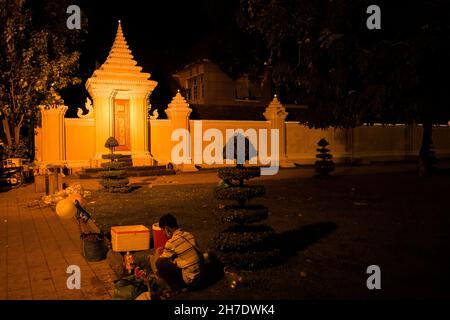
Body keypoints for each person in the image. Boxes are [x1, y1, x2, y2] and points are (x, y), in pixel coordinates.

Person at [149, 213, 204, 293]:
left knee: (160, 263)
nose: (163, 234)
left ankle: (176, 287)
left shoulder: (171, 242)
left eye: (163, 231)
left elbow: (159, 261)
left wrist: (156, 253)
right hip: (201, 274)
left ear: (167, 229)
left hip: (191, 280)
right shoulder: (188, 234)